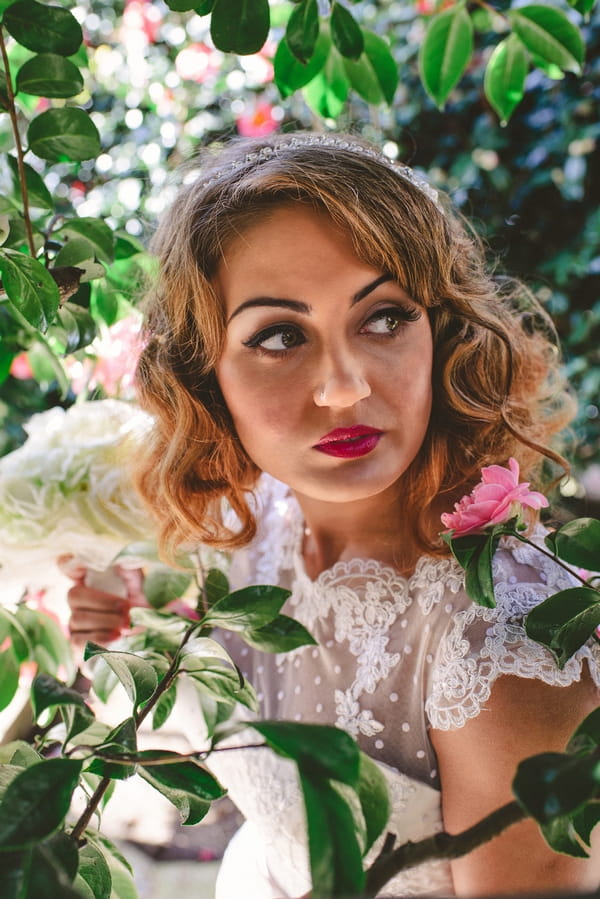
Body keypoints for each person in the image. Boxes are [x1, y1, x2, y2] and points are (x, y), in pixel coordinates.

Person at [66, 132, 600, 897]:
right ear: (205, 375)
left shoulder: (506, 642)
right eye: (281, 336)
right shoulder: (254, 525)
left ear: (441, 330)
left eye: (383, 317)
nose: (344, 387)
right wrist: (129, 634)